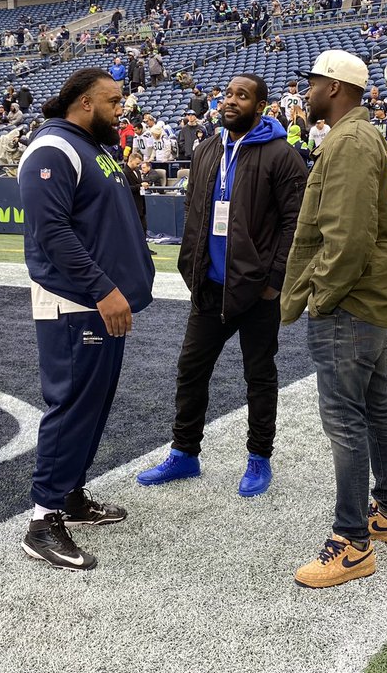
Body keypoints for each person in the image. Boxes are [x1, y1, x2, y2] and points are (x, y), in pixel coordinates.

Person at [137, 74, 306, 496]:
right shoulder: (209, 147)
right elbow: (195, 210)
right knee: (191, 370)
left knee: (259, 376)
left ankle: (259, 457)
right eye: (228, 94)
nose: (230, 101)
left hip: (256, 290)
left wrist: (274, 281)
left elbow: (295, 224)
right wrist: (191, 268)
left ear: (261, 105)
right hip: (209, 286)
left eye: (242, 96)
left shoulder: (281, 155)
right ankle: (185, 453)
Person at [281, 50, 387, 589]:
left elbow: (348, 235)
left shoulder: (349, 141)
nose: (305, 90)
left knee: (345, 418)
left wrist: (322, 296)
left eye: (311, 82)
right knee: (372, 405)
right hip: (369, 297)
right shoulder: (359, 136)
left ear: (334, 87)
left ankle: (352, 542)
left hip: (352, 300)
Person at [17, 68, 156, 572]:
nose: (122, 109)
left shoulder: (93, 145)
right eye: (113, 101)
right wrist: (103, 288)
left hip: (101, 301)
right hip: (76, 303)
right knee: (72, 404)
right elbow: (50, 230)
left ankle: (70, 496)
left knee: (93, 405)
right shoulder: (53, 148)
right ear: (83, 103)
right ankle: (41, 520)